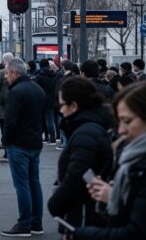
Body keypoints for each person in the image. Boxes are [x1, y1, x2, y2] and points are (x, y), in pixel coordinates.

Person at [76, 82, 146, 239]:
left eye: (127, 121)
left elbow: (139, 233)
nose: (121, 130)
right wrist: (116, 195)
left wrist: (81, 234)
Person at [48, 77, 114, 234]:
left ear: (74, 106)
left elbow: (77, 175)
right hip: (87, 211)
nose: (60, 110)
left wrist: (55, 204)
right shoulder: (93, 127)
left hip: (83, 214)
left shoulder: (86, 133)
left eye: (62, 105)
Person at [0, 57, 47, 237]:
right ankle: (36, 223)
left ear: (14, 72)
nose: (5, 77)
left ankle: (24, 224)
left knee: (22, 185)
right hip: (35, 143)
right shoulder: (37, 89)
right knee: (34, 183)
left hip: (19, 144)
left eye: (6, 73)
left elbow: (10, 122)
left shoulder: (16, 92)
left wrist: (5, 141)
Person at [0, 52, 14, 163]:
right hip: (16, 105)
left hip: (4, 106)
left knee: (5, 130)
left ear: (4, 60)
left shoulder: (1, 73)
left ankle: (7, 154)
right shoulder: (19, 71)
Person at [35, 58, 58, 145]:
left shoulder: (40, 76)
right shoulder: (53, 74)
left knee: (42, 120)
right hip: (52, 99)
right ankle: (52, 138)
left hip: (42, 100)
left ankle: (47, 137)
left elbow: (37, 88)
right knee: (50, 119)